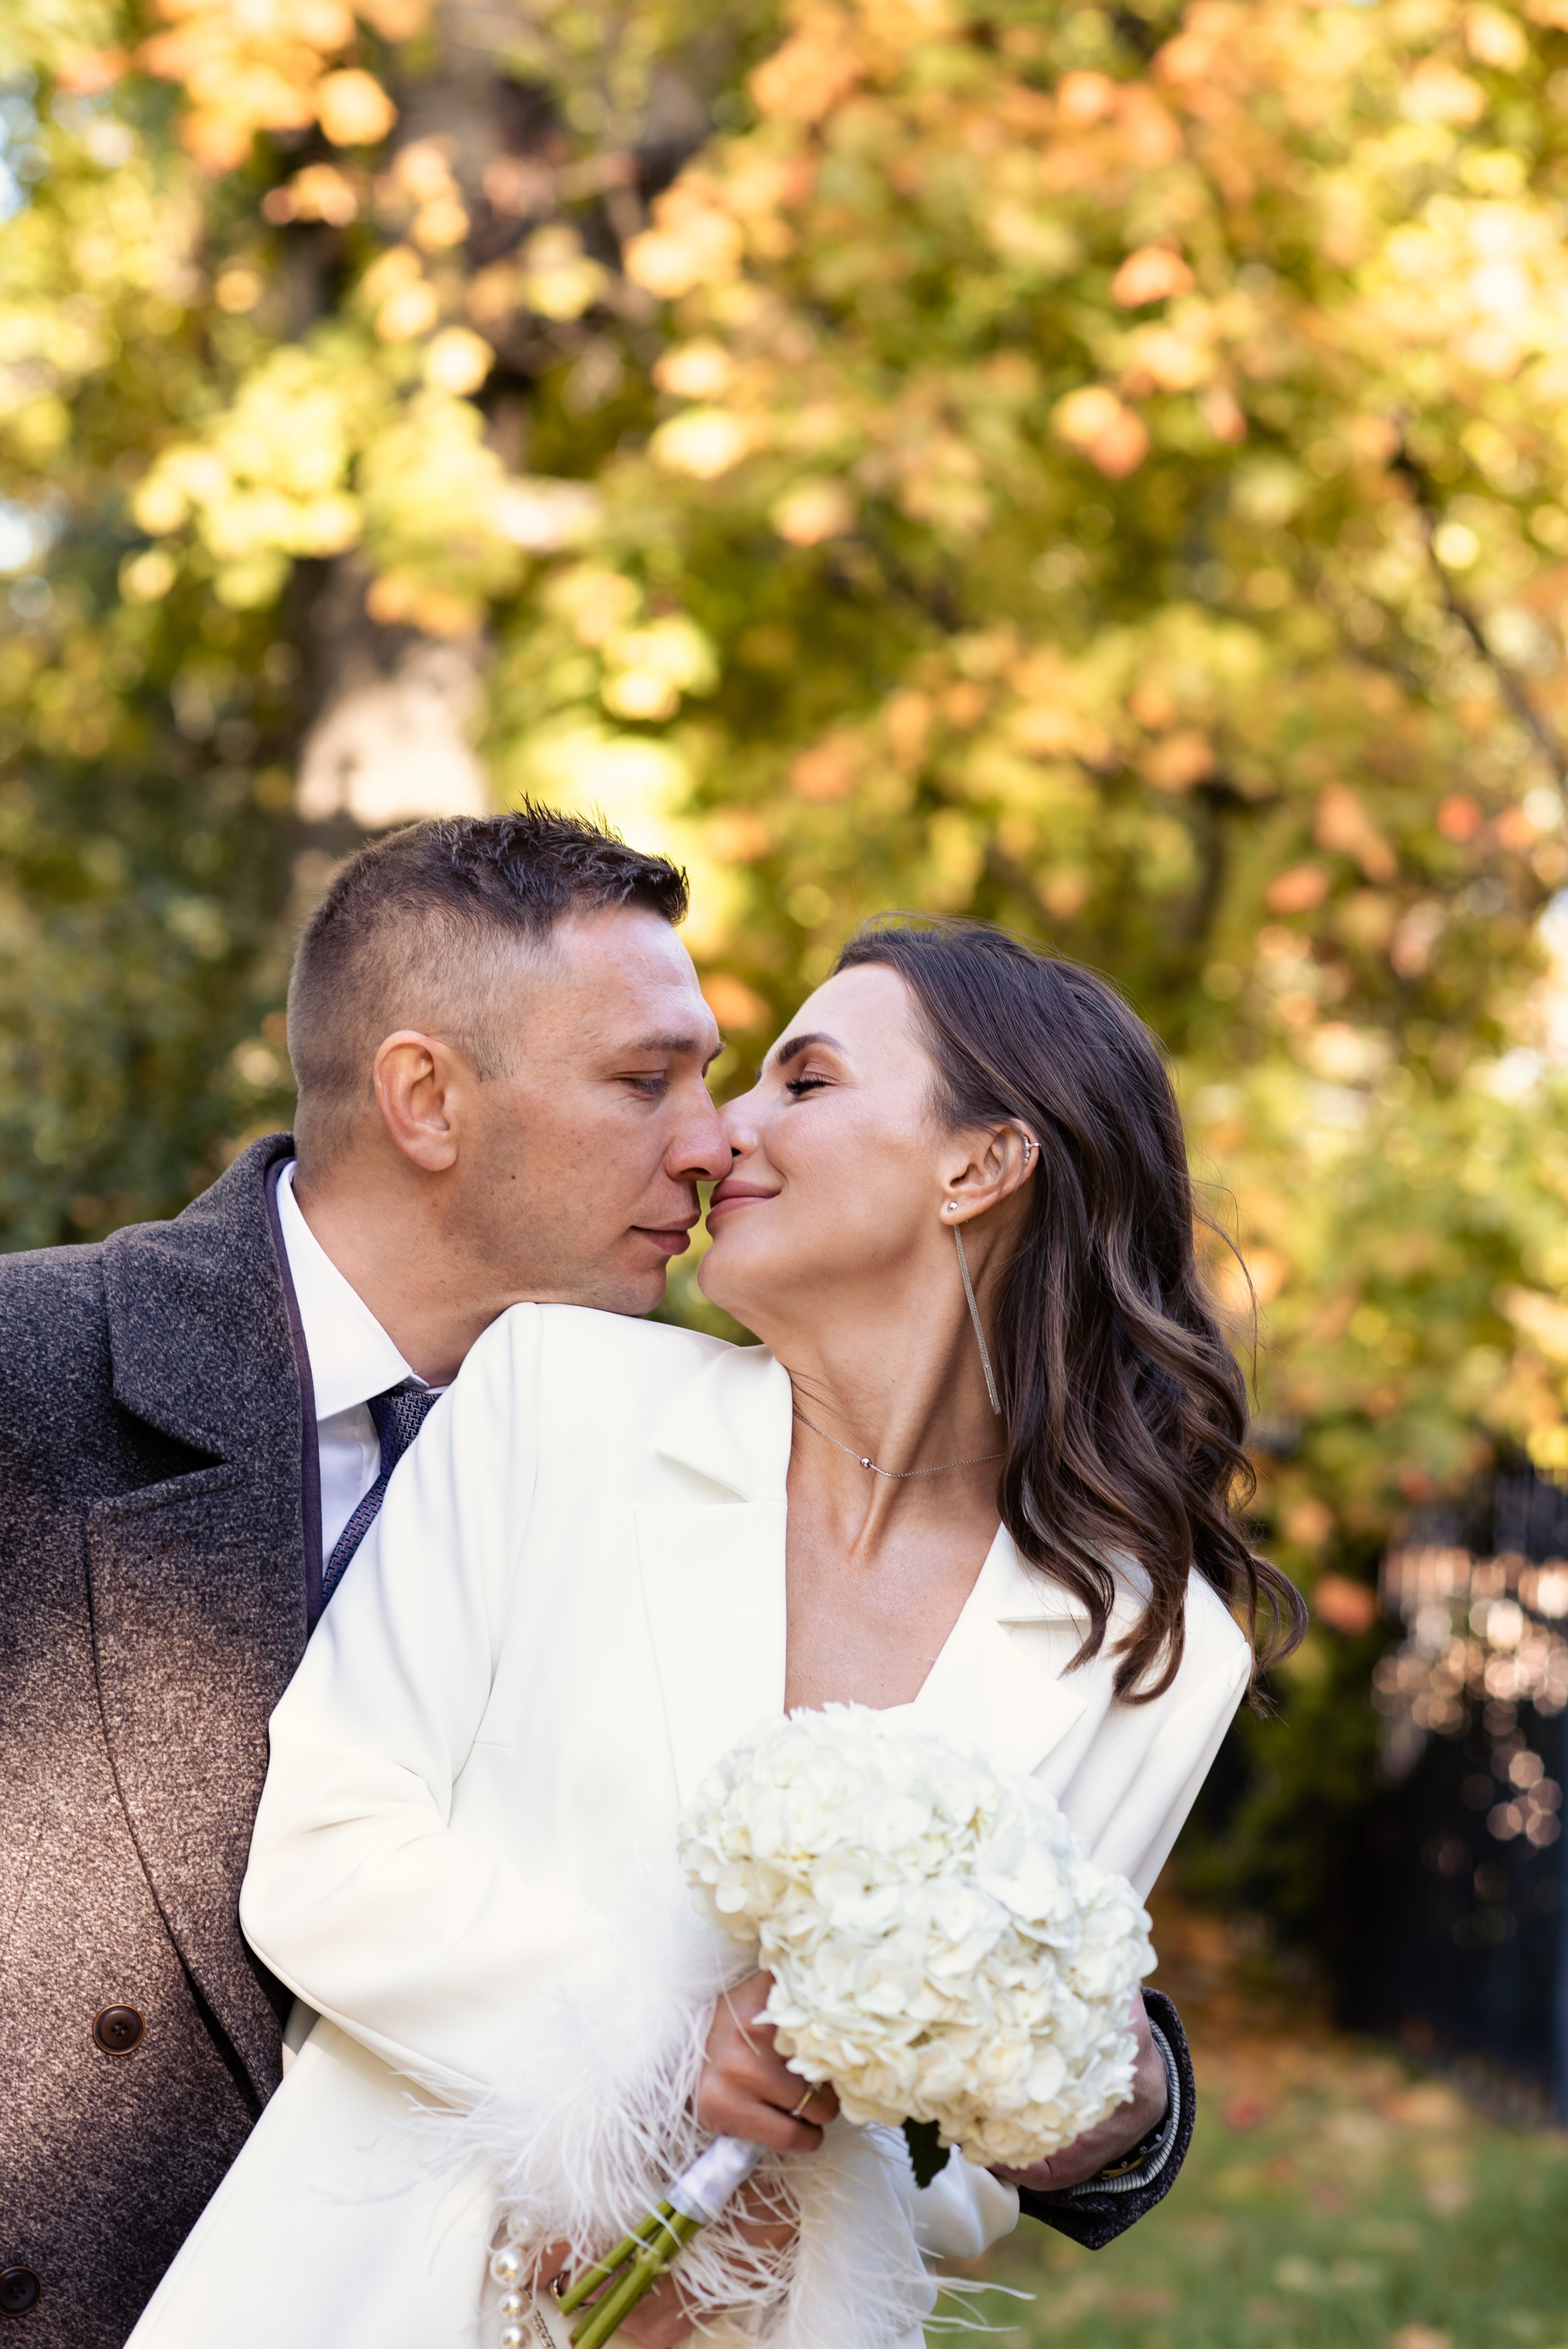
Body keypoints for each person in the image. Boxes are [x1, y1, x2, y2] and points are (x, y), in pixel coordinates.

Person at [0, 829, 1191, 2349]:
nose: (713, 1144)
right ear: (427, 1098)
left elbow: (999, 2108)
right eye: (647, 1082)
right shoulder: (27, 1384)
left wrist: (1080, 2086)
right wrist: (645, 2064)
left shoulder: (589, 1408)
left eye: (749, 1078)